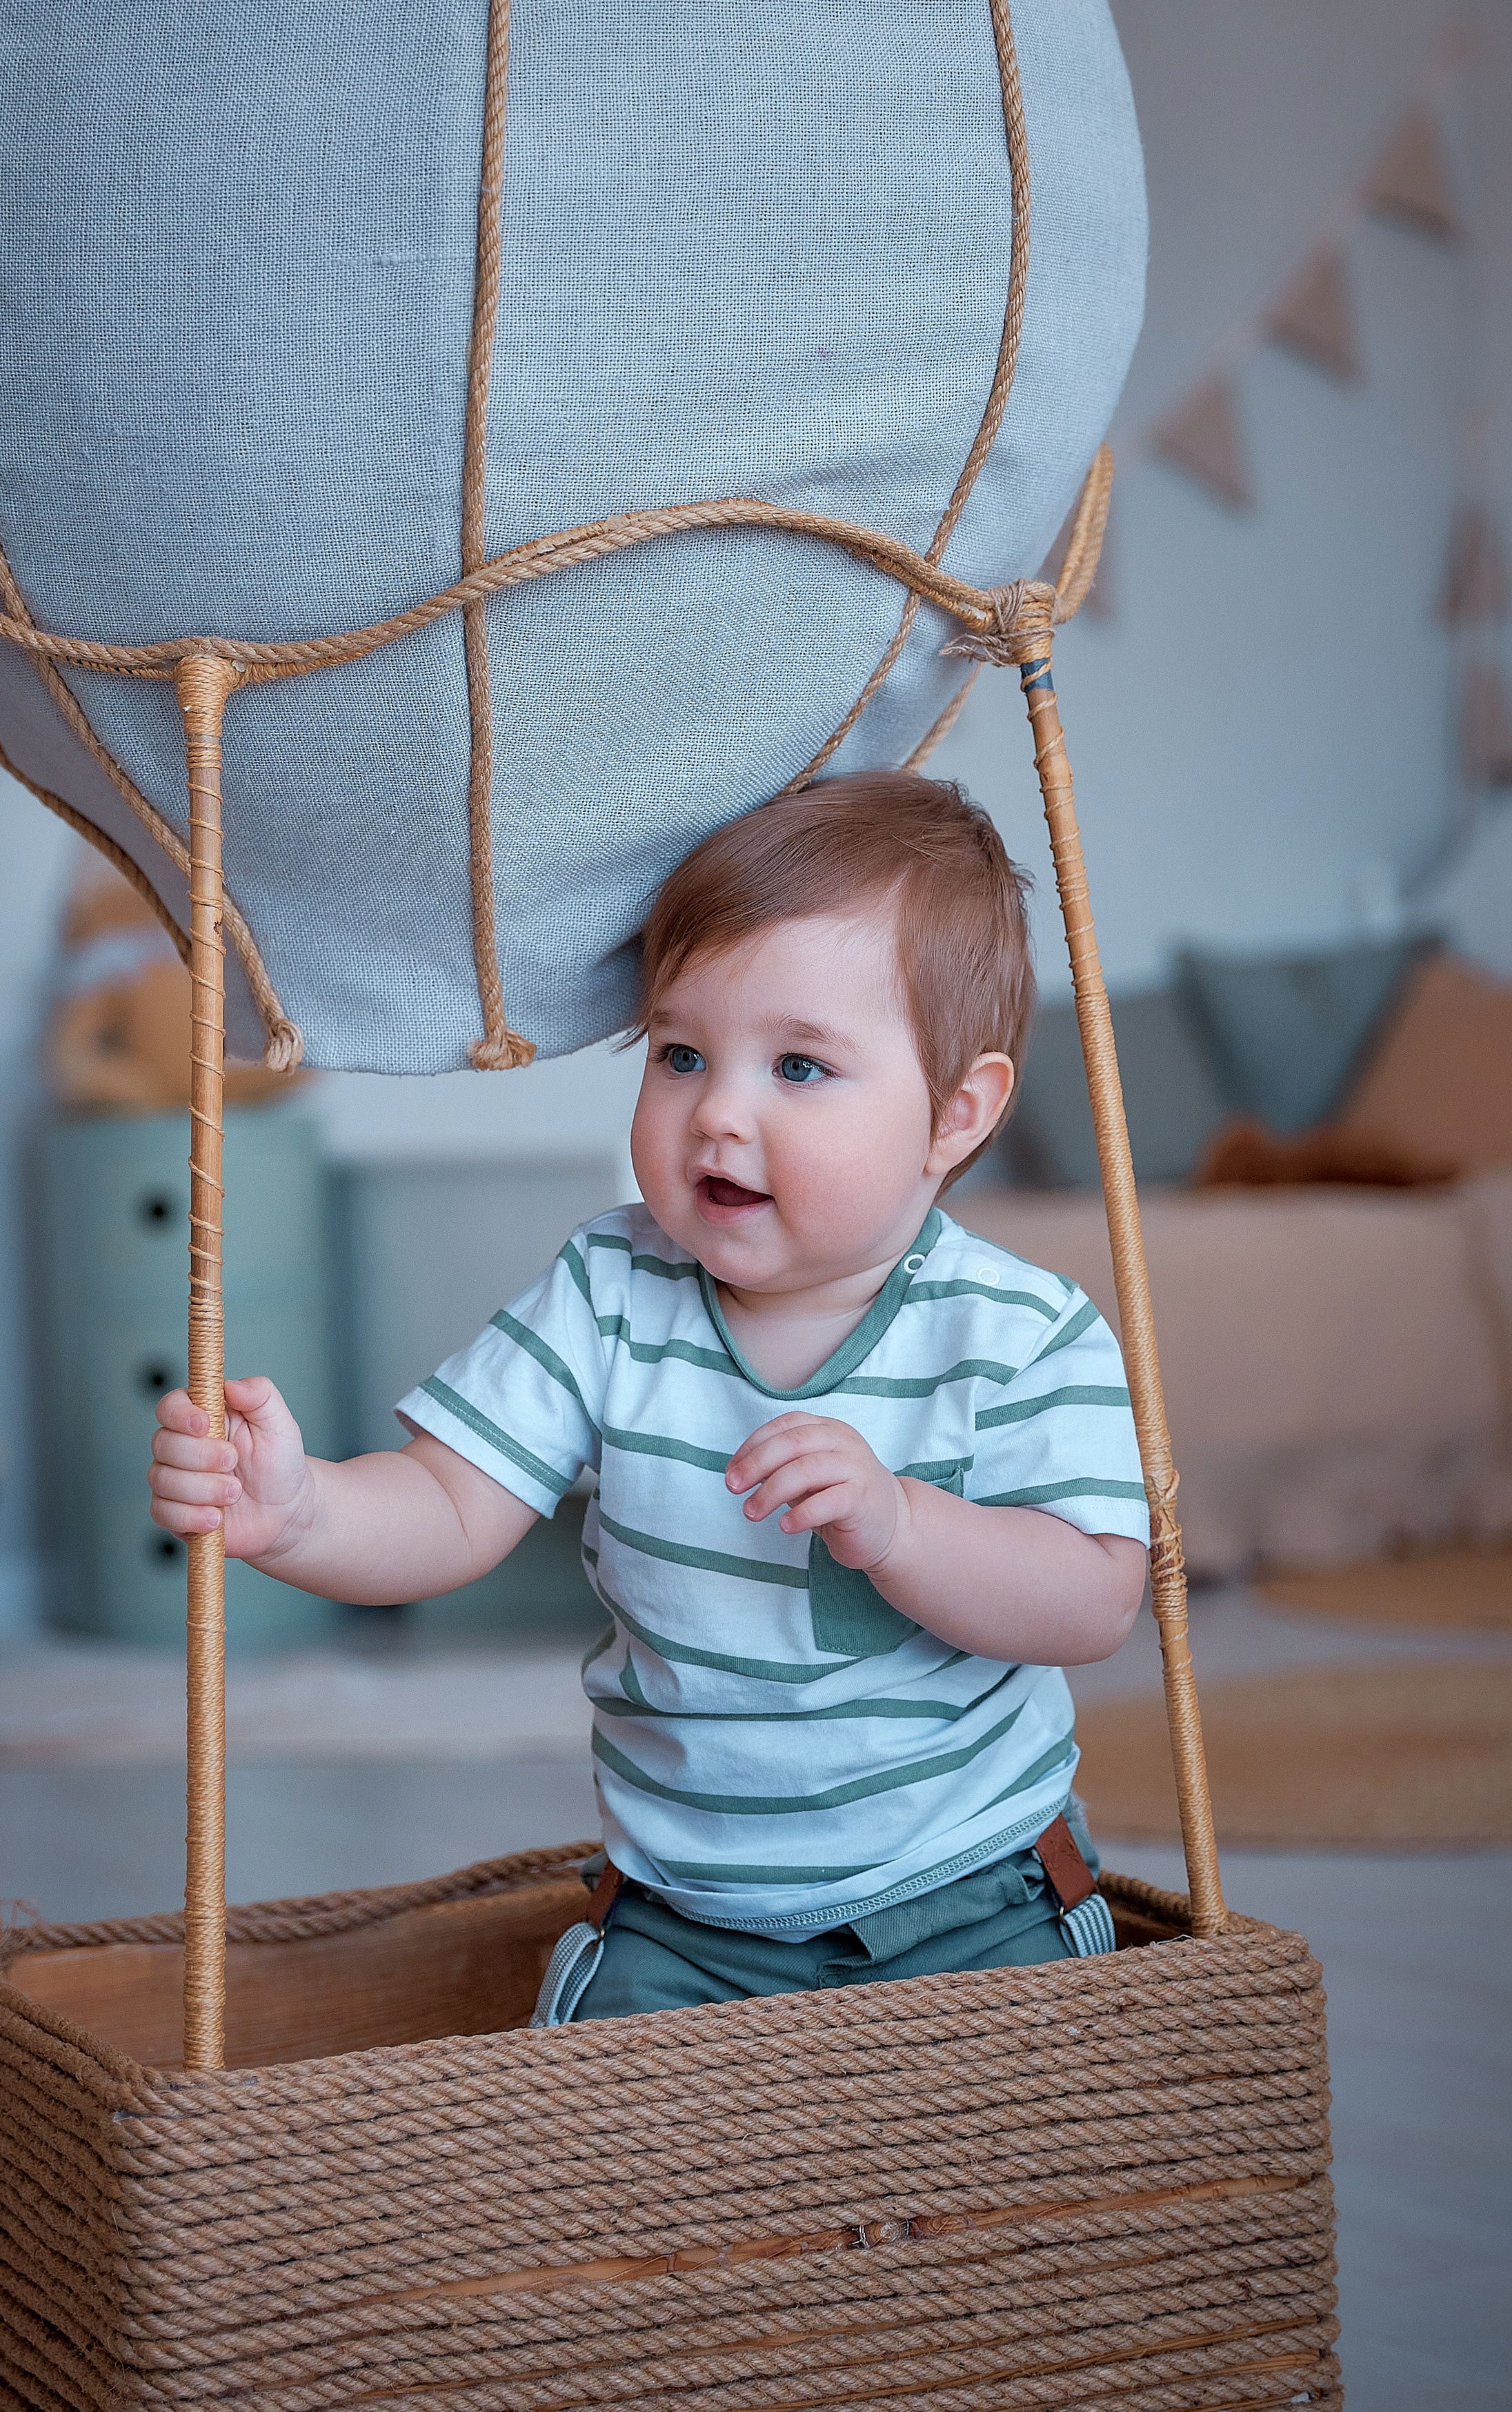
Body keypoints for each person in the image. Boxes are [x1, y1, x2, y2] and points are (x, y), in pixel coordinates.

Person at [149, 772, 1148, 2019]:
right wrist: (301, 1515)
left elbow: (1094, 1597)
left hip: (973, 1887)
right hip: (687, 1912)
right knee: (594, 2147)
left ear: (956, 1114)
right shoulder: (612, 1287)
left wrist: (900, 1524)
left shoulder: (1016, 1330)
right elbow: (454, 1503)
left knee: (1034, 2141)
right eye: (681, 1053)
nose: (718, 1112)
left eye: (798, 1066)